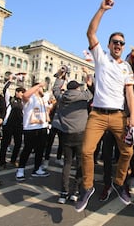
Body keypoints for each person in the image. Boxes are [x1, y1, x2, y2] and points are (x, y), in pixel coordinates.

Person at [74, 0, 134, 212]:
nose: (119, 45)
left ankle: (119, 183)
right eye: (115, 42)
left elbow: (130, 93)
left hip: (120, 116)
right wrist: (101, 10)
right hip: (98, 115)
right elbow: (90, 33)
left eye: (122, 43)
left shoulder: (127, 68)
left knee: (128, 153)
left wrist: (132, 117)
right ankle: (86, 187)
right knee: (86, 150)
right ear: (110, 45)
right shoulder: (101, 58)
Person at [51, 74, 93, 204]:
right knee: (80, 163)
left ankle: (63, 193)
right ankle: (75, 191)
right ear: (77, 88)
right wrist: (89, 78)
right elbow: (92, 90)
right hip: (80, 134)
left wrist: (60, 77)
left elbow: (55, 89)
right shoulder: (83, 97)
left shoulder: (62, 97)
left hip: (66, 135)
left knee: (67, 163)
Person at [15, 82, 50, 181]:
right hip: (30, 128)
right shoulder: (30, 99)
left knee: (40, 150)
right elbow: (25, 95)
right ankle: (20, 170)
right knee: (27, 149)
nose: (42, 89)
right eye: (41, 88)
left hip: (42, 127)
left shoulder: (42, 99)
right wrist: (38, 86)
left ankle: (37, 169)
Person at [0, 74, 25, 170]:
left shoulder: (23, 103)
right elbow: (5, 90)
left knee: (18, 144)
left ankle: (13, 160)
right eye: (21, 93)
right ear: (17, 92)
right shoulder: (10, 99)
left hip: (19, 126)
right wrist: (10, 80)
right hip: (9, 125)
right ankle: (2, 162)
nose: (22, 95)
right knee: (5, 144)